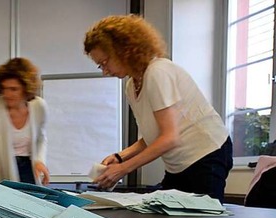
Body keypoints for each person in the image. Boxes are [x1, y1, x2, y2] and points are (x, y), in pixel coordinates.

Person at [84, 15, 232, 202]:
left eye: (105, 62)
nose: (105, 71)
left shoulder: (158, 72)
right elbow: (154, 136)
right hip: (179, 164)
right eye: (100, 66)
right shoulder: (131, 85)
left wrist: (124, 169)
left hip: (206, 153)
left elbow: (169, 138)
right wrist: (120, 157)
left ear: (124, 50)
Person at [0, 57, 50, 185]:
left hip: (30, 170)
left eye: (13, 89)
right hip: (3, 170)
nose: (7, 94)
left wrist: (40, 161)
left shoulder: (39, 107)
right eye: (4, 88)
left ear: (26, 88)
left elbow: (41, 138)